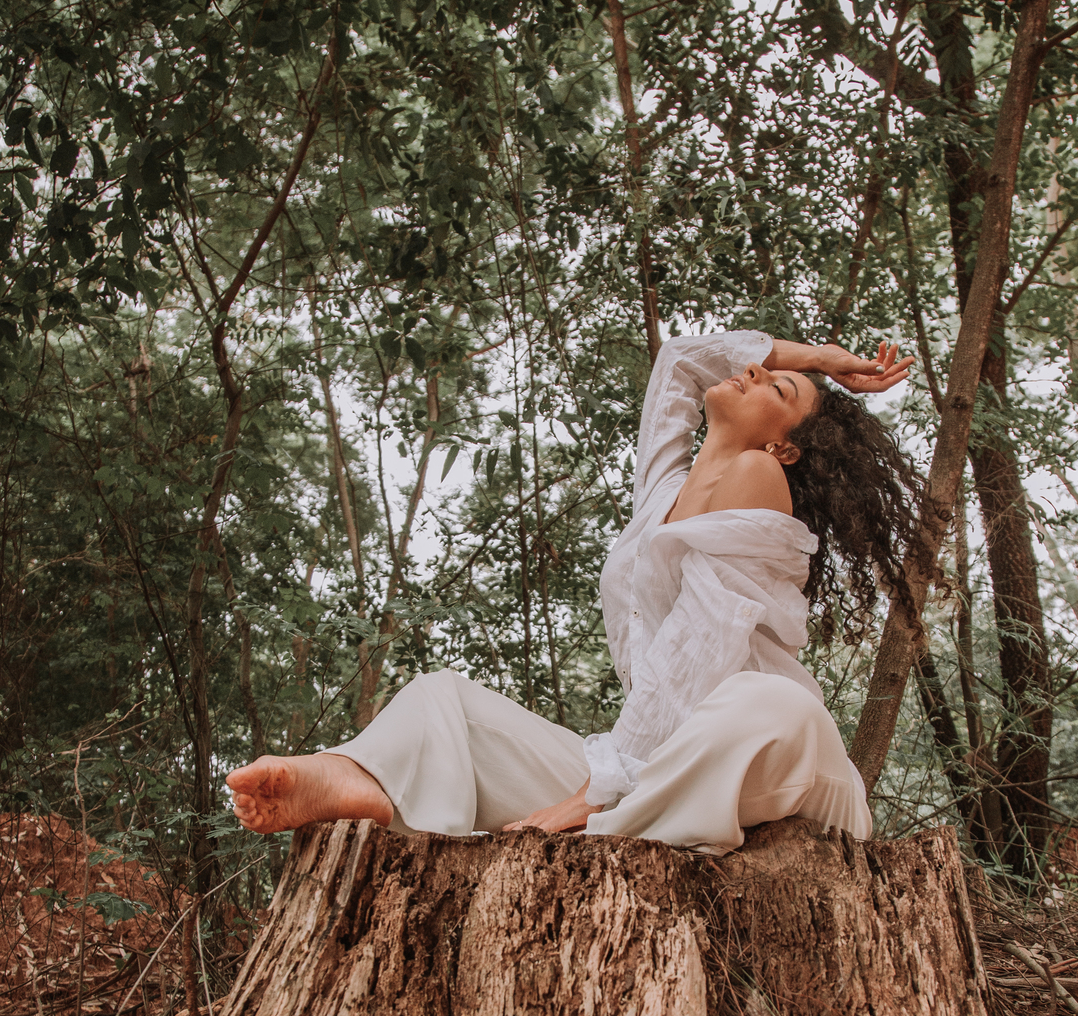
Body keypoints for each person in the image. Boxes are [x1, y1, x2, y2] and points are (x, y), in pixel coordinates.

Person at [227, 329, 917, 854]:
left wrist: (594, 792)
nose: (757, 371)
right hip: (652, 760)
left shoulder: (758, 480)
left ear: (786, 449)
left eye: (781, 390)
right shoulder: (664, 493)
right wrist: (820, 360)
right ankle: (359, 780)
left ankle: (607, 815)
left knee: (760, 699)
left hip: (765, 760)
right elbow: (680, 359)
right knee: (446, 699)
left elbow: (699, 647)